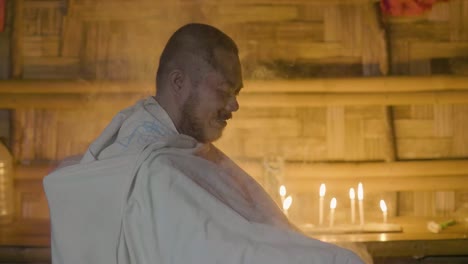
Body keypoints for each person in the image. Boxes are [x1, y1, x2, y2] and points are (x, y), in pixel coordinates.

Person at [44, 23, 365, 264]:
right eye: (224, 91)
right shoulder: (156, 172)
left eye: (237, 94)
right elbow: (229, 253)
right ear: (179, 82)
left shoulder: (161, 147)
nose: (234, 105)